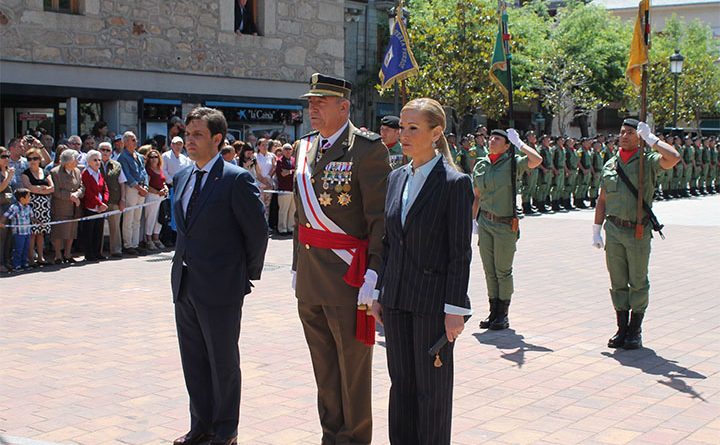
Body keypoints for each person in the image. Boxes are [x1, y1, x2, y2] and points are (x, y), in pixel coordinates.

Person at [292, 73, 390, 445]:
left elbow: (379, 219)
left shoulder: (366, 149)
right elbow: (302, 216)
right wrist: (296, 266)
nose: (312, 109)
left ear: (344, 107)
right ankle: (331, 436)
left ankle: (355, 439)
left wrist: (375, 274)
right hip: (311, 280)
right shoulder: (304, 148)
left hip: (350, 279)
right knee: (324, 370)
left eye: (321, 102)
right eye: (310, 102)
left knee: (352, 371)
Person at [371, 98, 473, 444]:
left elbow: (460, 253)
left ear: (436, 133)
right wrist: (379, 293)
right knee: (401, 387)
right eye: (402, 127)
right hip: (397, 299)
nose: (404, 134)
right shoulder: (397, 177)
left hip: (433, 305)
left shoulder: (454, 183)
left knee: (432, 394)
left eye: (413, 128)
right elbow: (388, 242)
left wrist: (454, 310)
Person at [171, 107, 267, 445]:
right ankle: (201, 424)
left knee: (222, 361)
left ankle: (226, 429)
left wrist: (242, 276)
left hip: (221, 286)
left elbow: (257, 234)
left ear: (217, 139)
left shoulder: (235, 178)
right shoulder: (182, 177)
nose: (189, 140)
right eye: (187, 133)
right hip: (184, 284)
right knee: (194, 359)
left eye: (197, 134)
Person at [592, 119, 680, 350]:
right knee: (618, 281)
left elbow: (673, 157)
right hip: (614, 229)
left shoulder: (647, 161)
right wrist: (596, 229)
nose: (624, 136)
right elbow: (602, 200)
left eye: (630, 132)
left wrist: (652, 139)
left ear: (639, 137)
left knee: (638, 281)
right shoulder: (610, 163)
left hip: (637, 230)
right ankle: (622, 328)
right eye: (622, 132)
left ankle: (635, 329)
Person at [473, 129, 542, 330]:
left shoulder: (513, 163)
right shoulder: (481, 164)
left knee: (502, 270)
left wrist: (520, 143)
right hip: (485, 222)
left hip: (505, 224)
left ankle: (502, 314)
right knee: (489, 270)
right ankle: (493, 311)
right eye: (491, 138)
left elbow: (536, 160)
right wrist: (472, 221)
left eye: (498, 139)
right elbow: (476, 195)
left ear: (506, 145)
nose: (492, 141)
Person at [21, 147, 54, 266]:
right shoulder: (26, 173)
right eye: (29, 159)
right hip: (32, 205)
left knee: (41, 233)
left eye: (35, 158)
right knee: (32, 234)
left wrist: (40, 190)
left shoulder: (45, 172)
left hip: (44, 206)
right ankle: (31, 259)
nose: (32, 161)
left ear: (40, 159)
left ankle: (41, 257)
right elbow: (29, 188)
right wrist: (44, 189)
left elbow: (52, 188)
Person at [50, 149, 84, 264]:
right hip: (60, 207)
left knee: (71, 231)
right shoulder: (55, 172)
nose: (77, 162)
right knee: (59, 231)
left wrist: (77, 194)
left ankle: (68, 254)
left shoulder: (77, 172)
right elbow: (56, 191)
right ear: (68, 161)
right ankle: (58, 255)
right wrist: (70, 196)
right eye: (75, 159)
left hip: (74, 207)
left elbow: (81, 187)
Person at [117, 131, 148, 255]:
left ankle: (135, 243)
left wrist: (145, 186)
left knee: (137, 218)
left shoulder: (139, 156)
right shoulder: (122, 157)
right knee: (129, 218)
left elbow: (143, 172)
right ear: (125, 142)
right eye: (133, 140)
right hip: (131, 189)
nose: (136, 142)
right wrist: (139, 188)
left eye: (135, 139)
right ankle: (128, 244)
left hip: (141, 188)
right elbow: (127, 176)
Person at [80, 150, 109, 262]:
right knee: (89, 231)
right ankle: (89, 253)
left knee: (99, 231)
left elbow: (105, 189)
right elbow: (89, 192)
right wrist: (99, 203)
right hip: (91, 207)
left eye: (99, 160)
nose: (97, 162)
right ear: (88, 161)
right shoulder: (86, 174)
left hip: (101, 208)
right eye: (95, 160)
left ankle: (98, 252)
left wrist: (104, 202)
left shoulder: (99, 173)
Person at [98, 142, 126, 258]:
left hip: (114, 199)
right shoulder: (93, 163)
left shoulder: (117, 165)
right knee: (98, 227)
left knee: (115, 226)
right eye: (102, 150)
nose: (105, 152)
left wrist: (123, 199)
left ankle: (116, 249)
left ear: (111, 152)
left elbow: (122, 183)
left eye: (107, 150)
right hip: (98, 201)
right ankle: (97, 251)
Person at [0, 188, 35, 270]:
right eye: (28, 196)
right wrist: (1, 222)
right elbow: (6, 215)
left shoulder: (28, 207)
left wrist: (38, 222)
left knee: (25, 248)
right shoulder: (14, 207)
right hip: (18, 233)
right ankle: (17, 265)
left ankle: (24, 263)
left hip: (27, 232)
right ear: (22, 199)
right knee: (18, 249)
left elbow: (31, 217)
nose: (30, 198)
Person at [143, 149, 168, 250]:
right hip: (152, 196)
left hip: (161, 197)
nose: (153, 159)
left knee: (160, 217)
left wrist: (165, 188)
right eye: (151, 157)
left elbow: (163, 182)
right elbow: (147, 185)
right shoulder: (148, 170)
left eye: (155, 157)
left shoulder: (160, 169)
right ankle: (148, 240)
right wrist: (157, 192)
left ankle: (156, 238)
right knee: (151, 217)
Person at [275, 143, 295, 236]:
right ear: (282, 151)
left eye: (289, 149)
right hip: (284, 189)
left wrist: (289, 172)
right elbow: (283, 173)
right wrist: (292, 171)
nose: (288, 151)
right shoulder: (280, 161)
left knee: (292, 210)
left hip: (293, 189)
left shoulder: (294, 160)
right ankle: (282, 228)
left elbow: (293, 172)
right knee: (283, 210)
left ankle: (290, 227)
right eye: (286, 149)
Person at [0, 147, 14, 272]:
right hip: (0, 208)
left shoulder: (9, 171)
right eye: (3, 157)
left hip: (10, 208)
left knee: (9, 237)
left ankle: (7, 260)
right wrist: (8, 177)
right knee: (1, 237)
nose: (6, 159)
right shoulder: (6, 174)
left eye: (8, 157)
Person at [254, 137, 275, 222]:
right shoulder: (255, 156)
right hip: (259, 184)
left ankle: (266, 224)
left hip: (269, 184)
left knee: (267, 205)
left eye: (266, 145)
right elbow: (257, 171)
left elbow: (274, 167)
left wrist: (268, 178)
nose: (265, 146)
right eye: (263, 145)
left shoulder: (271, 155)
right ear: (258, 146)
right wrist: (263, 181)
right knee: (259, 205)